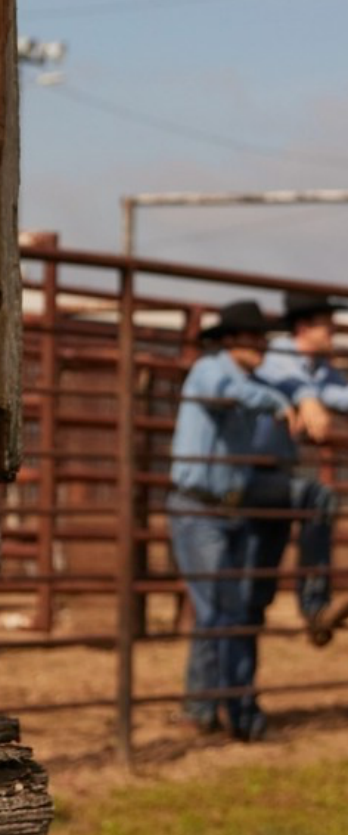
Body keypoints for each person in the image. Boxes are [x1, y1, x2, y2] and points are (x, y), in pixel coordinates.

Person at [167, 299, 300, 742]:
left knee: (222, 610)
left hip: (225, 506)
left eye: (263, 337)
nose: (261, 345)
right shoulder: (212, 370)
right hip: (199, 508)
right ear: (228, 340)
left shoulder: (247, 382)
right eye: (252, 336)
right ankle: (235, 709)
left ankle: (205, 707)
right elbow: (240, 393)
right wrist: (280, 405)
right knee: (221, 610)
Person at [247, 291, 344, 636]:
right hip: (247, 472)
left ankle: (240, 688)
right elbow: (289, 382)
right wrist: (306, 399)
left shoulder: (323, 371)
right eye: (326, 325)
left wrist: (311, 398)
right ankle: (315, 606)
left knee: (255, 586)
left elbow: (338, 395)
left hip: (277, 479)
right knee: (319, 497)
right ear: (303, 327)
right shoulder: (276, 355)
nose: (333, 330)